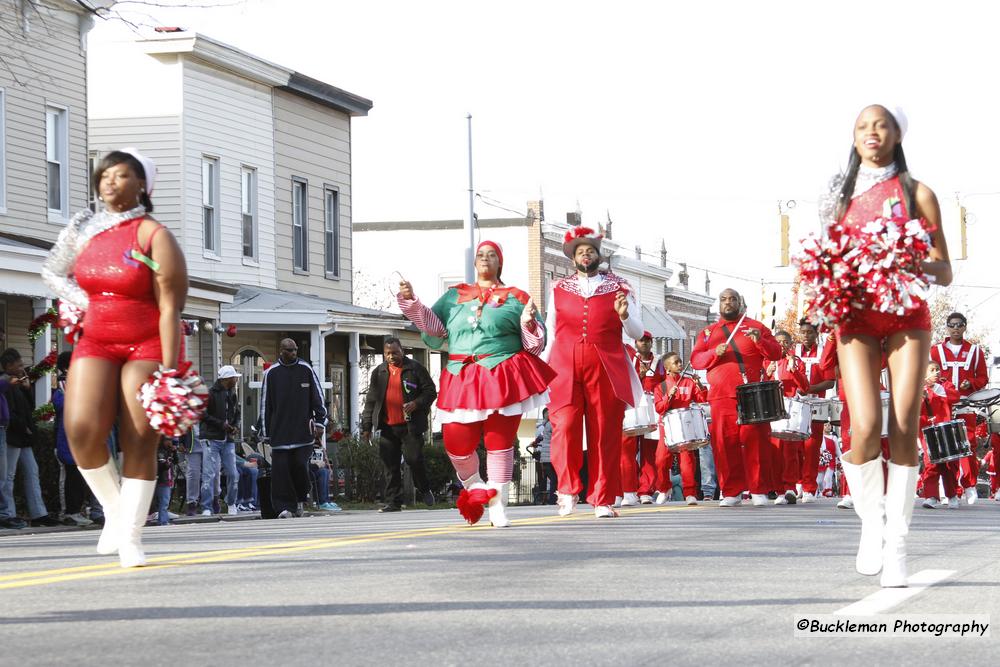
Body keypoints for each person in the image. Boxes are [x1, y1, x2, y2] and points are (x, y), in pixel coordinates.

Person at [819, 105, 951, 588]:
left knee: (902, 424)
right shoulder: (838, 196)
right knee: (865, 425)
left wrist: (909, 263)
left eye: (881, 125)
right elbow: (827, 256)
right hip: (854, 317)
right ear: (853, 138)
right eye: (861, 126)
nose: (871, 132)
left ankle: (896, 543)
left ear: (897, 134)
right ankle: (870, 522)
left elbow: (945, 269)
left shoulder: (918, 194)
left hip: (906, 317)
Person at [41, 148, 188, 566]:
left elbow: (169, 307)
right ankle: (115, 509)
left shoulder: (153, 235)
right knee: (81, 427)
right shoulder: (82, 227)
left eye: (121, 175)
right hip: (97, 339)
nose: (109, 182)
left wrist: (169, 371)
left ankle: (132, 538)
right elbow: (54, 270)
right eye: (104, 175)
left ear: (142, 184)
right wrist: (83, 302)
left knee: (139, 433)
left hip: (146, 342)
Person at [398, 240, 553, 527]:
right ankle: (475, 487)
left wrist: (530, 323)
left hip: (501, 372)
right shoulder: (455, 295)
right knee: (457, 440)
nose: (485, 259)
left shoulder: (516, 296)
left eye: (491, 255)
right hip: (462, 374)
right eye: (481, 254)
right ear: (474, 262)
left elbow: (534, 346)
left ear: (500, 262)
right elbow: (435, 328)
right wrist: (412, 302)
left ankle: (498, 505)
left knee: (499, 441)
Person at [542, 227, 645, 518]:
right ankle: (567, 491)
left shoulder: (621, 287)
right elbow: (551, 330)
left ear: (599, 255)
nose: (585, 255)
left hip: (606, 362)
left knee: (605, 430)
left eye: (590, 250)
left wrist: (624, 315)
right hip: (563, 361)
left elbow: (636, 332)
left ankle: (602, 497)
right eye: (580, 251)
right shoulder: (558, 288)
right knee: (564, 427)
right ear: (572, 258)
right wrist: (542, 370)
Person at [691, 289, 783, 507]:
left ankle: (758, 490)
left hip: (752, 394)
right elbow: (696, 360)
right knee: (725, 444)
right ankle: (731, 491)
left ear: (740, 303)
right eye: (723, 299)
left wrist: (760, 341)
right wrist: (714, 353)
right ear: (719, 305)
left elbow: (776, 353)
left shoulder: (756, 327)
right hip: (721, 396)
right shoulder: (708, 332)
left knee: (756, 443)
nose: (728, 303)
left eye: (732, 299)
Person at [360, 338, 437, 513]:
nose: (391, 356)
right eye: (388, 353)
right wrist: (367, 427)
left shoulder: (415, 368)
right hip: (387, 426)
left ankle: (424, 488)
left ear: (402, 351)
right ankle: (393, 502)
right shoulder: (379, 372)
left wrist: (416, 403)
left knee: (414, 459)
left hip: (410, 426)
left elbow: (430, 391)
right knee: (390, 465)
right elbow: (371, 400)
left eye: (395, 352)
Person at [259, 338, 327, 519]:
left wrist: (320, 422)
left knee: (299, 466)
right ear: (281, 351)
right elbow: (265, 405)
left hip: (302, 431)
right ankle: (284, 507)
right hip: (280, 432)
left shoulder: (306, 369)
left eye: (295, 350)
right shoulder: (271, 373)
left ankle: (299, 498)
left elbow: (318, 397)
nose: (294, 353)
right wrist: (266, 433)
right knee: (281, 471)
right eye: (290, 350)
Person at [928, 312, 987, 505]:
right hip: (940, 406)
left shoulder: (975, 351)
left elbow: (983, 378)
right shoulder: (935, 350)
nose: (955, 328)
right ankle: (949, 491)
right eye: (952, 324)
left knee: (968, 445)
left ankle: (969, 485)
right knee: (942, 448)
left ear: (965, 327)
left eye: (959, 324)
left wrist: (970, 383)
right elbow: (925, 373)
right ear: (947, 327)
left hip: (964, 404)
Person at [0, 348, 60, 526]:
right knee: (8, 476)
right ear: (8, 365)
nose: (21, 368)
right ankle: (8, 513)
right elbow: (10, 412)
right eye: (18, 365)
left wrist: (27, 389)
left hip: (24, 437)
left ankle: (39, 513)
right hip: (12, 436)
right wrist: (23, 427)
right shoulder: (5, 383)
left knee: (32, 472)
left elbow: (29, 407)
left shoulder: (17, 384)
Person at [652, 351, 707, 505]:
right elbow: (659, 408)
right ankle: (664, 488)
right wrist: (668, 396)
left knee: (687, 460)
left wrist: (699, 384)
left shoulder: (689, 382)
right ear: (667, 368)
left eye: (680, 361)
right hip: (667, 425)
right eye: (675, 362)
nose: (680, 365)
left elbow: (702, 398)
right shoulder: (661, 386)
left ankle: (690, 493)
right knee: (661, 459)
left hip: (685, 424)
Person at [765, 330, 810, 505]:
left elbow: (805, 387)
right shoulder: (768, 362)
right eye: (778, 342)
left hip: (791, 409)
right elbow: (760, 385)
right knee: (775, 452)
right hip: (774, 409)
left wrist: (794, 370)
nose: (781, 345)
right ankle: (779, 491)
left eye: (785, 342)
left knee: (790, 451)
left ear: (790, 345)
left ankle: (790, 486)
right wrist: (766, 374)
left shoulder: (796, 362)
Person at [619, 332, 664, 506]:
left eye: (647, 341)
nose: (644, 344)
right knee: (627, 451)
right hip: (633, 408)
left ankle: (646, 490)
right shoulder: (630, 360)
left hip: (652, 410)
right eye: (641, 341)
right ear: (636, 342)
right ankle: (628, 490)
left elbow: (663, 384)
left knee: (649, 452)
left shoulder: (659, 362)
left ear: (652, 343)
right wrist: (640, 376)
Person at [795, 320, 836, 503]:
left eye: (810, 332)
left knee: (812, 448)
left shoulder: (824, 352)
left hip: (817, 405)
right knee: (794, 446)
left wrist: (809, 389)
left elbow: (830, 381)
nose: (806, 336)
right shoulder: (793, 352)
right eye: (803, 332)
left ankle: (809, 488)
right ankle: (794, 485)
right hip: (796, 404)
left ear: (816, 333)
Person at [52, 351, 93, 526]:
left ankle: (77, 509)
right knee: (71, 476)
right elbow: (60, 403)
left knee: (79, 476)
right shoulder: (62, 383)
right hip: (66, 437)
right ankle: (69, 511)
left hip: (78, 435)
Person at [199, 365, 242, 516]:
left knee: (233, 473)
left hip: (227, 438)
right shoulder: (210, 394)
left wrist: (235, 426)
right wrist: (221, 424)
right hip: (211, 438)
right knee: (209, 474)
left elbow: (236, 413)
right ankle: (206, 506)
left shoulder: (232, 394)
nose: (236, 380)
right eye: (234, 377)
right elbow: (202, 415)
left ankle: (231, 503)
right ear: (227, 379)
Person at [917, 361, 961, 509]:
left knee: (948, 463)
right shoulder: (918, 388)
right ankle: (931, 496)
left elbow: (955, 397)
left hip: (944, 428)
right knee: (931, 463)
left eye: (937, 369)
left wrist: (936, 390)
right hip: (927, 431)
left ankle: (952, 495)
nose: (936, 372)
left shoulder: (945, 385)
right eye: (932, 370)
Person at [0, 360, 27, 529]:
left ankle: (4, 513)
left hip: (3, 427)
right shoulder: (4, 381)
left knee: (3, 474)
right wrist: (7, 383)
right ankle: (4, 513)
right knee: (3, 475)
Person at [528, 408, 557, 504]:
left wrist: (534, 442)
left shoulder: (544, 425)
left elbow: (540, 437)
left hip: (544, 458)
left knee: (549, 478)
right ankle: (553, 499)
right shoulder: (552, 425)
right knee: (554, 479)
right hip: (551, 456)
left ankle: (549, 498)